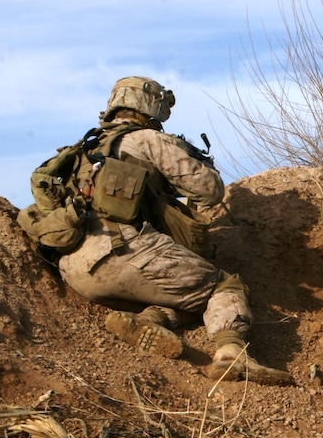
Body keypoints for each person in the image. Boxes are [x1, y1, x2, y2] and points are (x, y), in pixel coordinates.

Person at [56, 76, 293, 385]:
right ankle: (231, 354)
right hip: (125, 251)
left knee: (187, 296)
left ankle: (149, 319)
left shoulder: (83, 150)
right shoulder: (146, 140)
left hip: (75, 267)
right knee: (223, 286)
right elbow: (209, 190)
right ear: (152, 107)